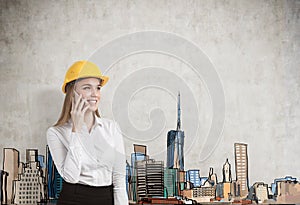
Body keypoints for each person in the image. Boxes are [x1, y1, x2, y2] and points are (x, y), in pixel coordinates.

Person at [47, 60, 128, 205]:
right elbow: (70, 177)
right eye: (87, 88)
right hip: (73, 198)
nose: (94, 94)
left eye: (97, 88)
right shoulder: (56, 133)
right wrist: (76, 131)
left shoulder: (112, 128)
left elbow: (119, 179)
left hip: (106, 197)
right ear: (72, 94)